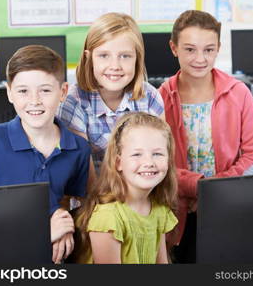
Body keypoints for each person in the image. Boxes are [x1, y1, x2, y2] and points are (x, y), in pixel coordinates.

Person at [0, 45, 91, 264]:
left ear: (63, 92)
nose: (35, 100)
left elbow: (78, 207)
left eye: (45, 90)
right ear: (9, 92)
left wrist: (64, 221)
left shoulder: (77, 148)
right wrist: (43, 235)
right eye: (23, 91)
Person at [158, 10, 253, 263]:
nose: (200, 58)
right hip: (176, 208)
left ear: (218, 48)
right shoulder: (160, 97)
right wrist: (199, 188)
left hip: (226, 204)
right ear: (174, 48)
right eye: (190, 49)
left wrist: (213, 190)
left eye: (208, 50)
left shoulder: (239, 93)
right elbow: (158, 161)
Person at [57, 12, 164, 174]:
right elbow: (85, 174)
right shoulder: (74, 101)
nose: (115, 66)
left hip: (145, 191)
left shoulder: (150, 96)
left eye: (125, 56)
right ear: (89, 58)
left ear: (137, 58)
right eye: (104, 56)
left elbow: (162, 155)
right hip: (98, 195)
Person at [74, 112, 178, 264]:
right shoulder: (108, 217)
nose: (149, 162)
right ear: (118, 162)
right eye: (137, 154)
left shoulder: (159, 209)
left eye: (157, 153)